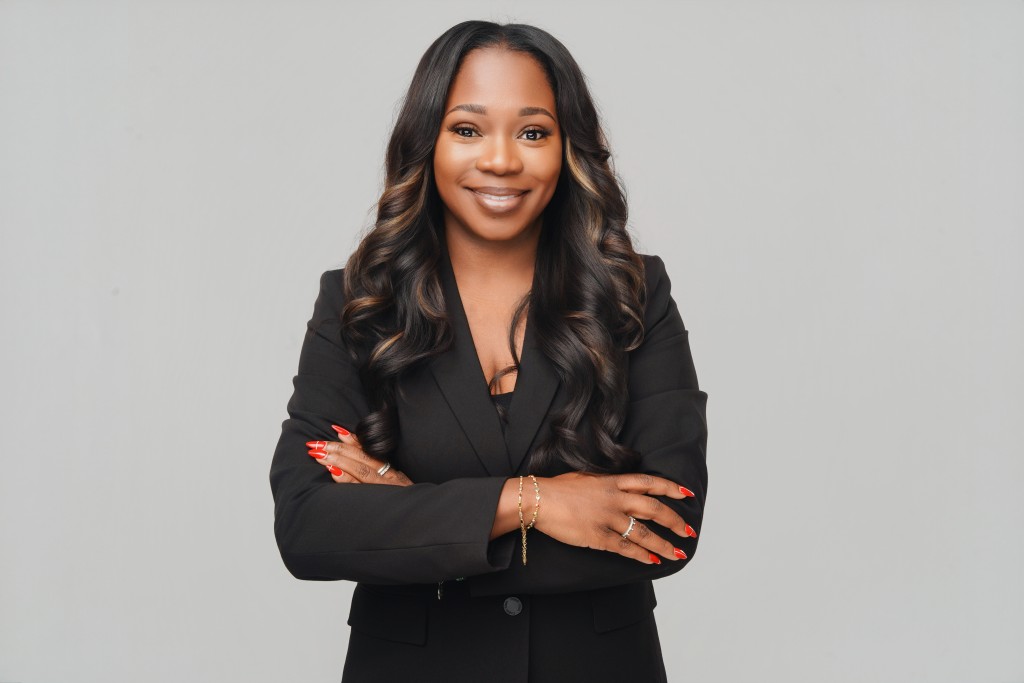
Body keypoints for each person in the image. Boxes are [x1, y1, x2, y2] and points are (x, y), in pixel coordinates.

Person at [269, 20, 708, 683]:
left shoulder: (633, 295)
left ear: (568, 148)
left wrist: (420, 516)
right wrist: (532, 503)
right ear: (428, 142)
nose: (501, 160)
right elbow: (308, 526)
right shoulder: (360, 302)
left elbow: (668, 526)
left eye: (532, 132)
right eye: (468, 129)